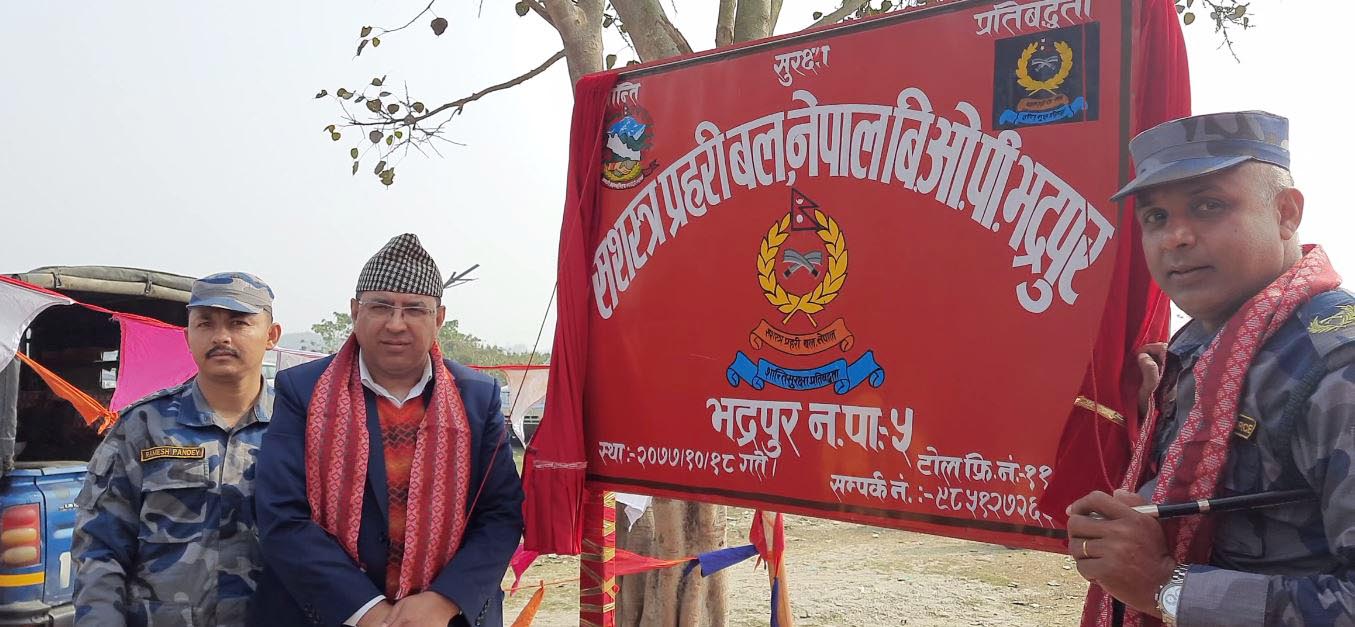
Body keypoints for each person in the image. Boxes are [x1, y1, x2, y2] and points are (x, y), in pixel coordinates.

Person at [1067, 111, 1355, 627]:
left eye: (1209, 206)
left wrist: (1165, 587)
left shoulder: (1336, 366)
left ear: (1286, 213)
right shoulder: (1198, 346)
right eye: (1156, 217)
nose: (1175, 237)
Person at [251, 234, 523, 627]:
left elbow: (500, 514)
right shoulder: (303, 391)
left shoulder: (476, 398)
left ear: (438, 318)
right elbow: (282, 515)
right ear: (354, 311)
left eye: (414, 309)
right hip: (326, 614)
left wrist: (443, 601)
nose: (396, 324)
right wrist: (368, 611)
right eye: (380, 306)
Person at [73, 272, 281, 626]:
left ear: (272, 335)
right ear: (187, 336)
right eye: (205, 323)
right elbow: (99, 544)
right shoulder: (144, 426)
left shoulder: (297, 427)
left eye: (238, 322)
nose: (221, 337)